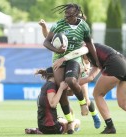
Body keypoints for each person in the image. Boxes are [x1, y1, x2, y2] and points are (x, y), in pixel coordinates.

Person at [54, 43, 126, 134]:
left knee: (97, 94)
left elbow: (80, 51)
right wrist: (71, 84)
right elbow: (90, 78)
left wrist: (62, 59)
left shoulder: (86, 47)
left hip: (115, 64)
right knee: (123, 103)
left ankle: (110, 127)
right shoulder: (95, 59)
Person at [43, 3, 100, 132]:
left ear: (76, 15)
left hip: (74, 59)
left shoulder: (84, 26)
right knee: (61, 89)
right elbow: (46, 41)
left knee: (70, 81)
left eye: (69, 15)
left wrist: (96, 61)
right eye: (65, 14)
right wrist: (56, 49)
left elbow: (89, 44)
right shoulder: (59, 24)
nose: (66, 17)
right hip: (59, 60)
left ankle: (84, 104)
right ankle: (70, 121)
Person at [25, 67, 80, 134]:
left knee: (61, 119)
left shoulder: (45, 86)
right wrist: (61, 88)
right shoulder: (51, 85)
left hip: (42, 125)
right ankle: (70, 129)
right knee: (76, 121)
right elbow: (53, 104)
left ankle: (38, 130)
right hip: (52, 127)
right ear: (55, 75)